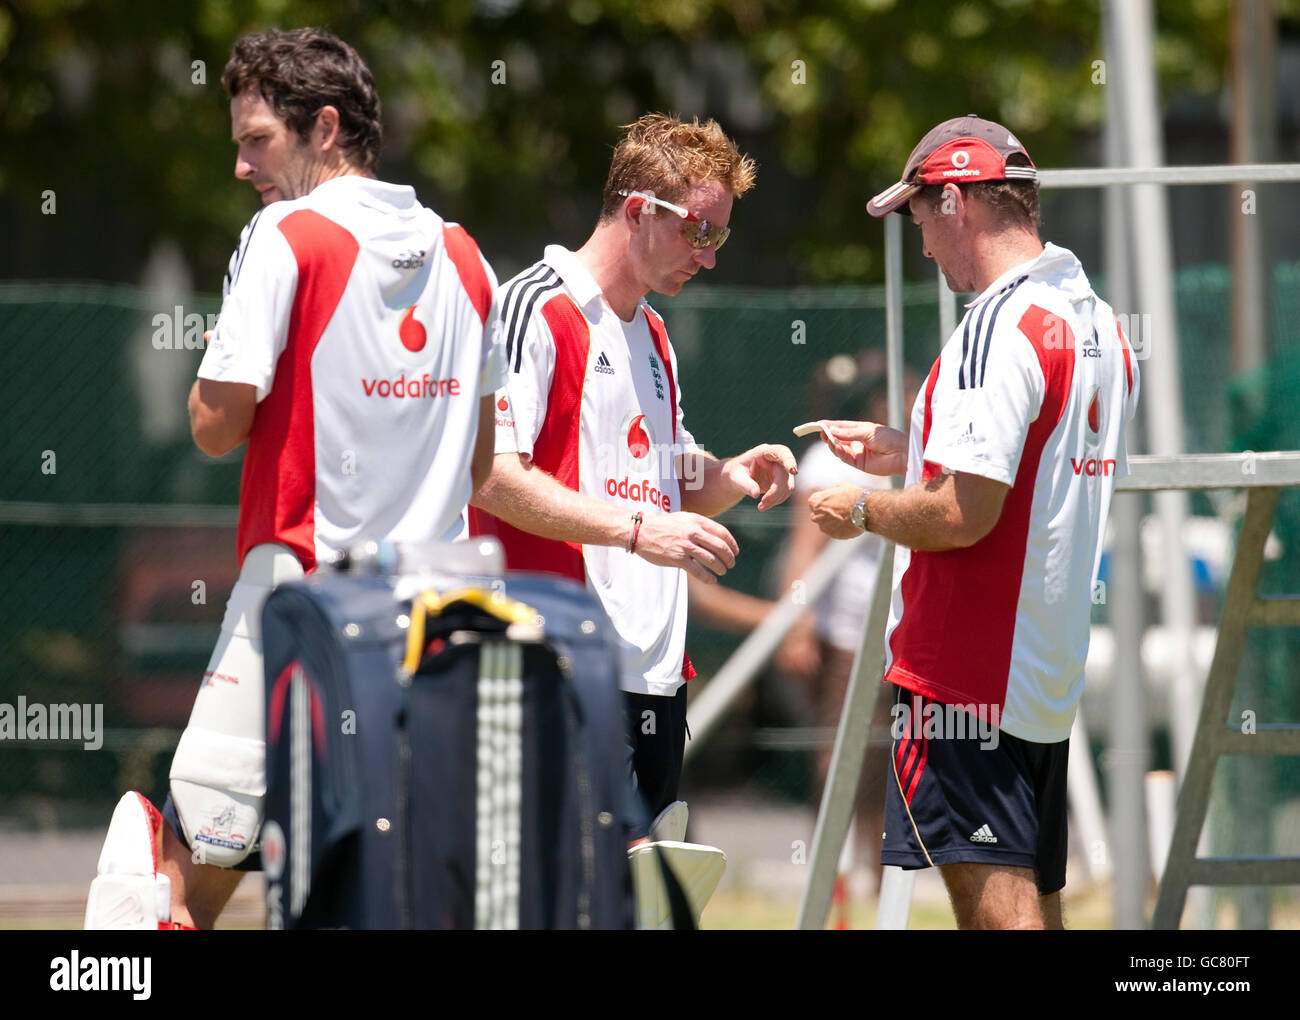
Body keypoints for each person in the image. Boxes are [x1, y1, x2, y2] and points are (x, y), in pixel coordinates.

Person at [85, 27, 502, 930]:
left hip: (303, 597)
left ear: (322, 127)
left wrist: (219, 361)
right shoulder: (468, 256)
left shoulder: (285, 234)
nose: (241, 166)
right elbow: (478, 463)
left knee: (182, 864)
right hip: (438, 615)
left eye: (255, 141)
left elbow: (211, 428)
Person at [808, 115, 1139, 929]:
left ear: (954, 201)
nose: (921, 245)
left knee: (1001, 919)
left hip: (965, 671)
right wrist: (911, 445)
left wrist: (856, 509)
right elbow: (1037, 469)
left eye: (919, 218)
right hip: (1042, 671)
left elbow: (962, 515)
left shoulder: (997, 322)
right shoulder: (1098, 323)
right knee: (1037, 906)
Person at [469, 113, 796, 834]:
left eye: (721, 238)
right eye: (700, 233)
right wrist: (640, 529)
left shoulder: (651, 331)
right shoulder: (537, 307)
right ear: (641, 211)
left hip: (652, 677)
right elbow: (491, 477)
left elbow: (665, 476)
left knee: (638, 901)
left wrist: (732, 473)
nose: (709, 257)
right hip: (556, 661)